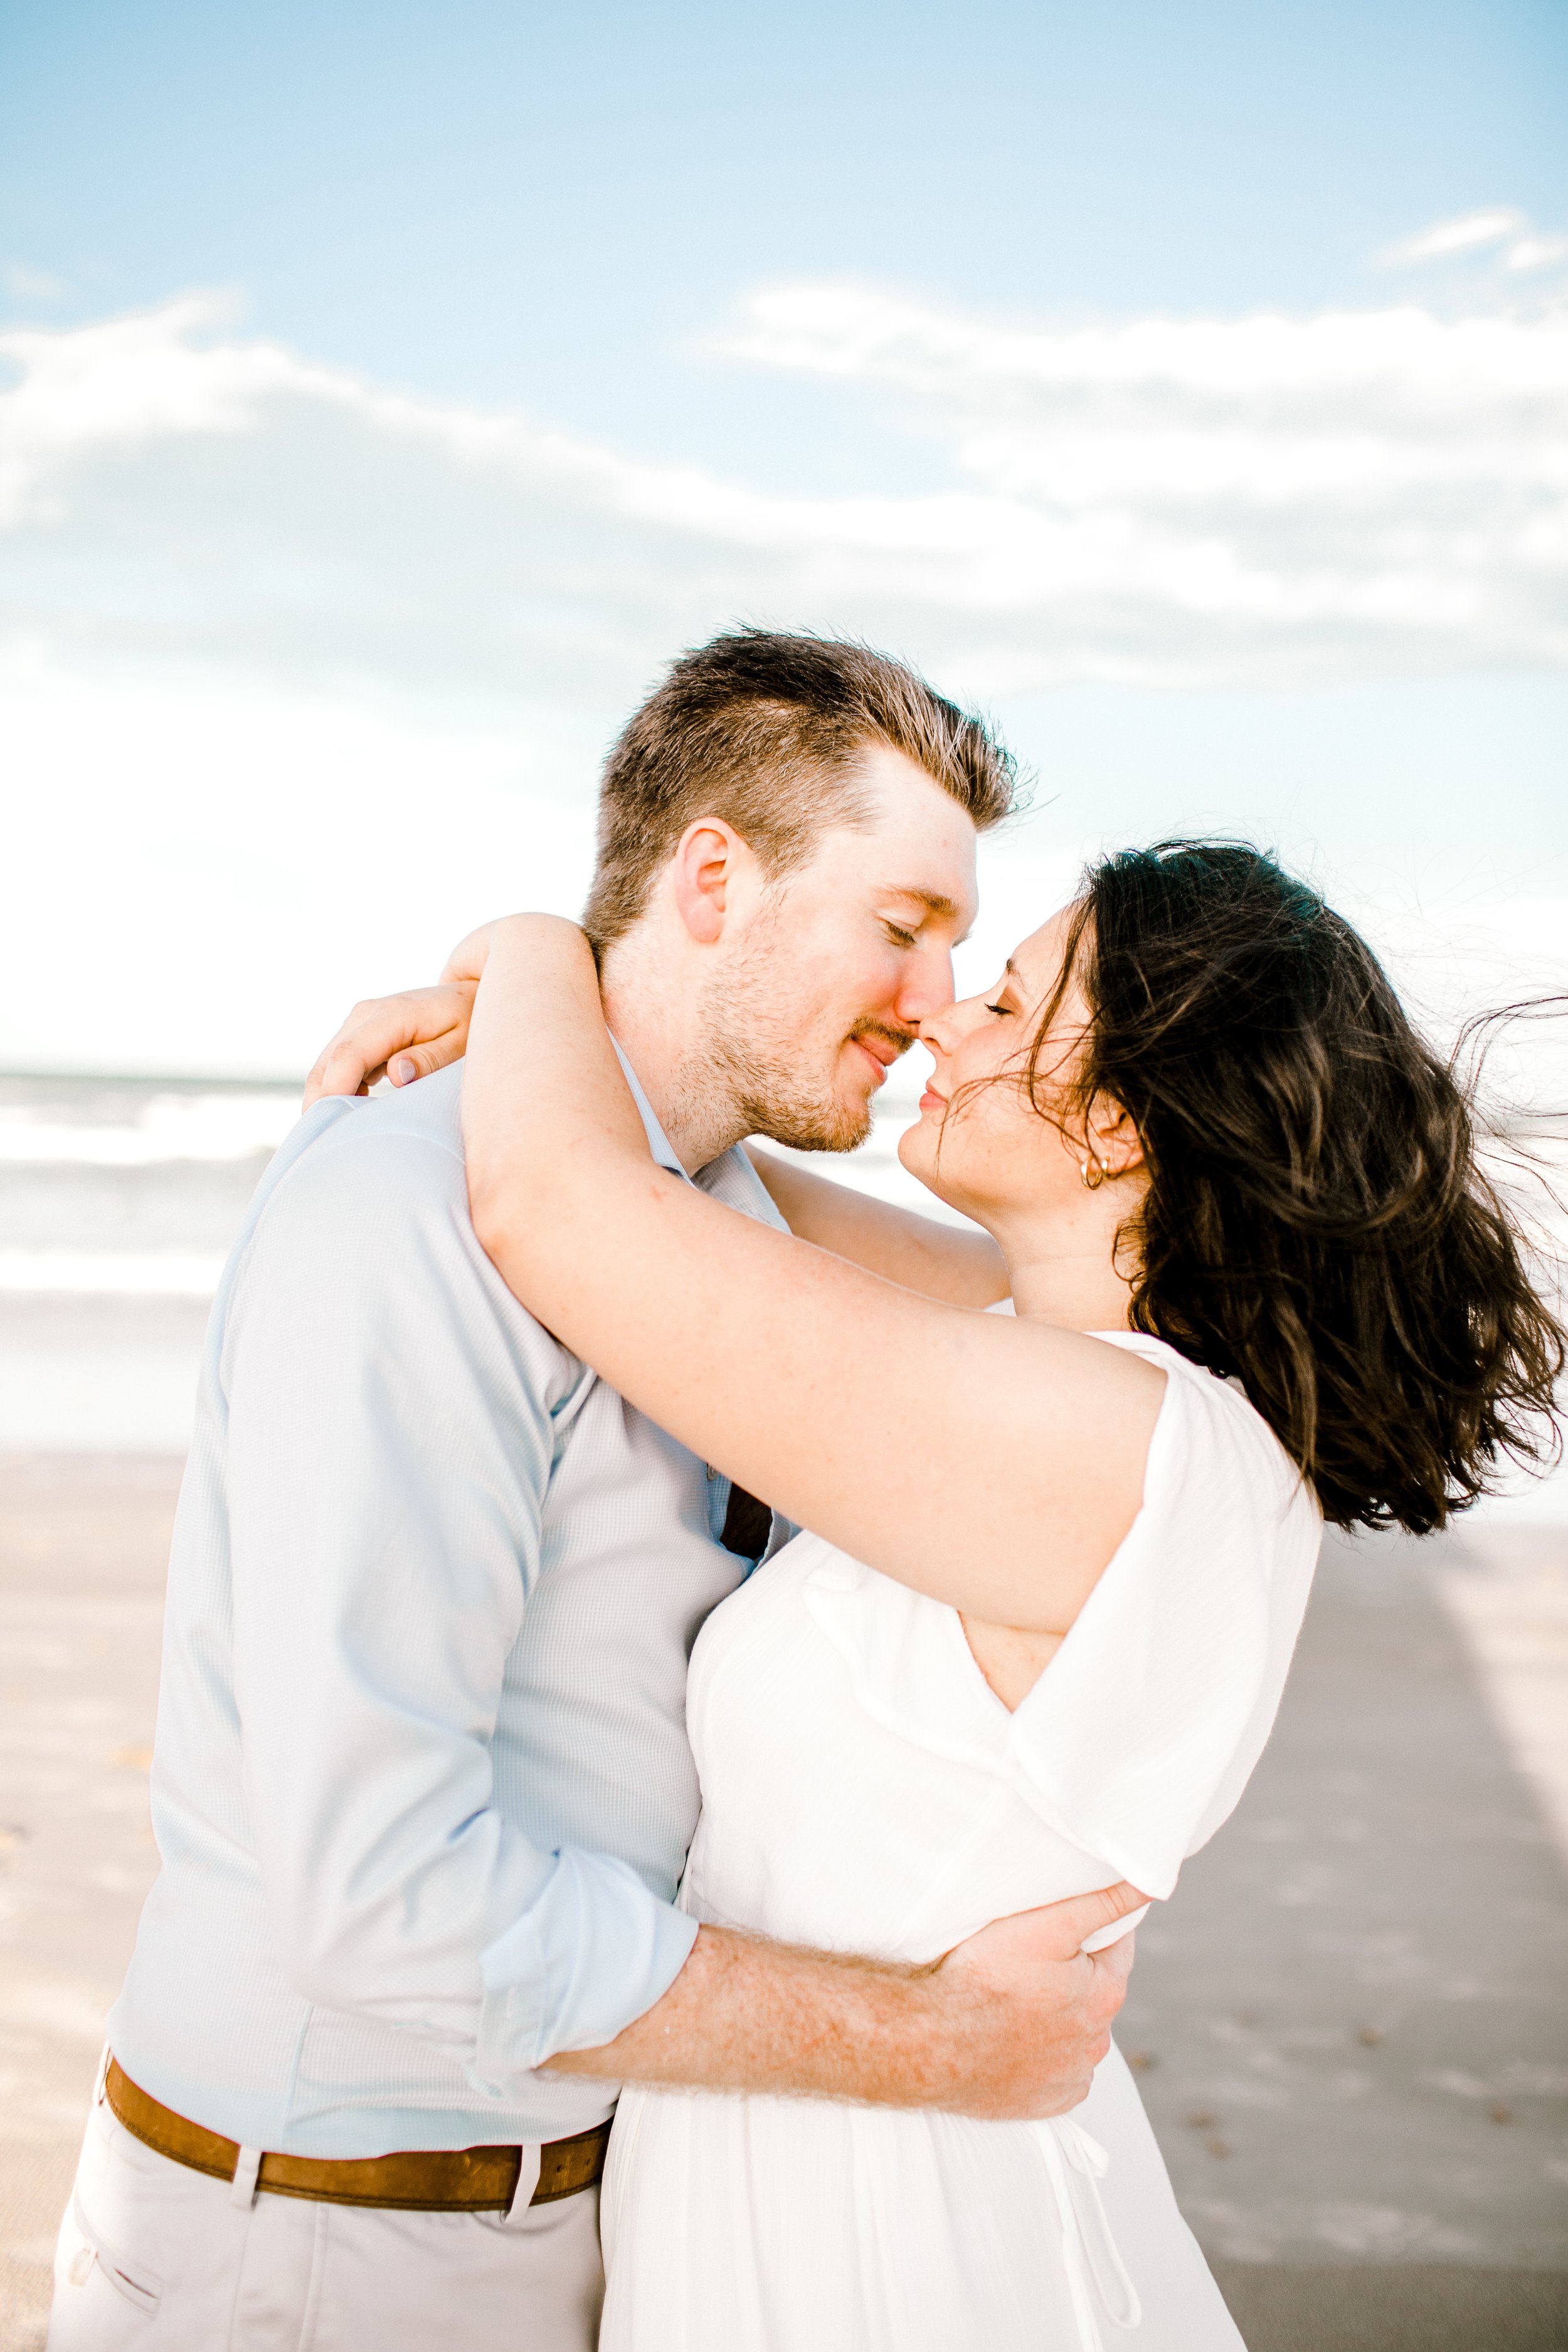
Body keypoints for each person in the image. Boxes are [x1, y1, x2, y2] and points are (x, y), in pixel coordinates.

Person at [46, 633, 1147, 2352]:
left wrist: (521, 954)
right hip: (329, 2244)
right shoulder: (409, 1216)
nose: (937, 1004)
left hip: (572, 2202)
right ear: (714, 877)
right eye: (905, 926)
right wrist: (934, 2038)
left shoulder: (713, 1213)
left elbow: (1058, 1308)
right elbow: (383, 1889)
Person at [324, 844, 1563, 2349]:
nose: (942, 1021)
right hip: (828, 2161)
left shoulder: (1108, 1442)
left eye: (1010, 999)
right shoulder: (1064, 1377)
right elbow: (676, 1150)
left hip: (884, 2237)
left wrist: (527, 948)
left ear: (1121, 1110)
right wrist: (554, 1027)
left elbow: (565, 1208)